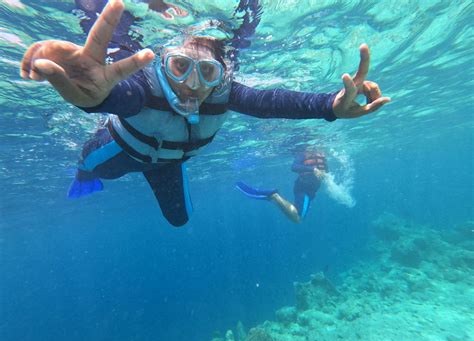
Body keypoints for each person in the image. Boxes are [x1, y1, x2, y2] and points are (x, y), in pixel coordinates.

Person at [20, 0, 390, 227]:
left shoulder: (222, 95)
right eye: (180, 66)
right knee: (90, 168)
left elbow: (272, 102)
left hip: (167, 163)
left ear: (222, 72)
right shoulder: (141, 90)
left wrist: (330, 106)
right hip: (120, 151)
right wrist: (95, 98)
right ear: (163, 64)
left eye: (208, 72)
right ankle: (84, 169)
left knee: (180, 221)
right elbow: (116, 97)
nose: (193, 86)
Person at [237, 150, 328, 224]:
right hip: (304, 186)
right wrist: (313, 169)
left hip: (311, 188)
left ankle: (274, 196)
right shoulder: (304, 153)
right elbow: (294, 167)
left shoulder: (321, 154)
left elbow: (325, 171)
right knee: (298, 218)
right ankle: (274, 196)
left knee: (298, 217)